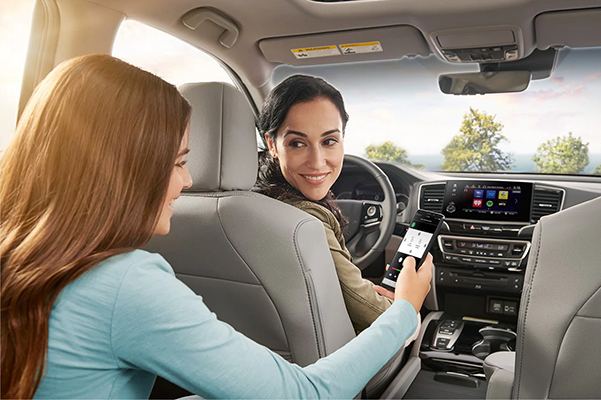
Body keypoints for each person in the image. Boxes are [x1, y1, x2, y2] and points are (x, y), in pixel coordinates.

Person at [0, 54, 432, 399]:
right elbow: (305, 393)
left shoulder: (19, 251)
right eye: (177, 162)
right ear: (120, 169)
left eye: (330, 140)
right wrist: (406, 310)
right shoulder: (124, 282)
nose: (187, 181)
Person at [254, 74, 409, 332]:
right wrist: (410, 297)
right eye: (297, 143)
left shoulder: (253, 203)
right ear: (272, 144)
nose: (317, 161)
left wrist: (367, 290)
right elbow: (385, 321)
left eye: (329, 141)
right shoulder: (306, 220)